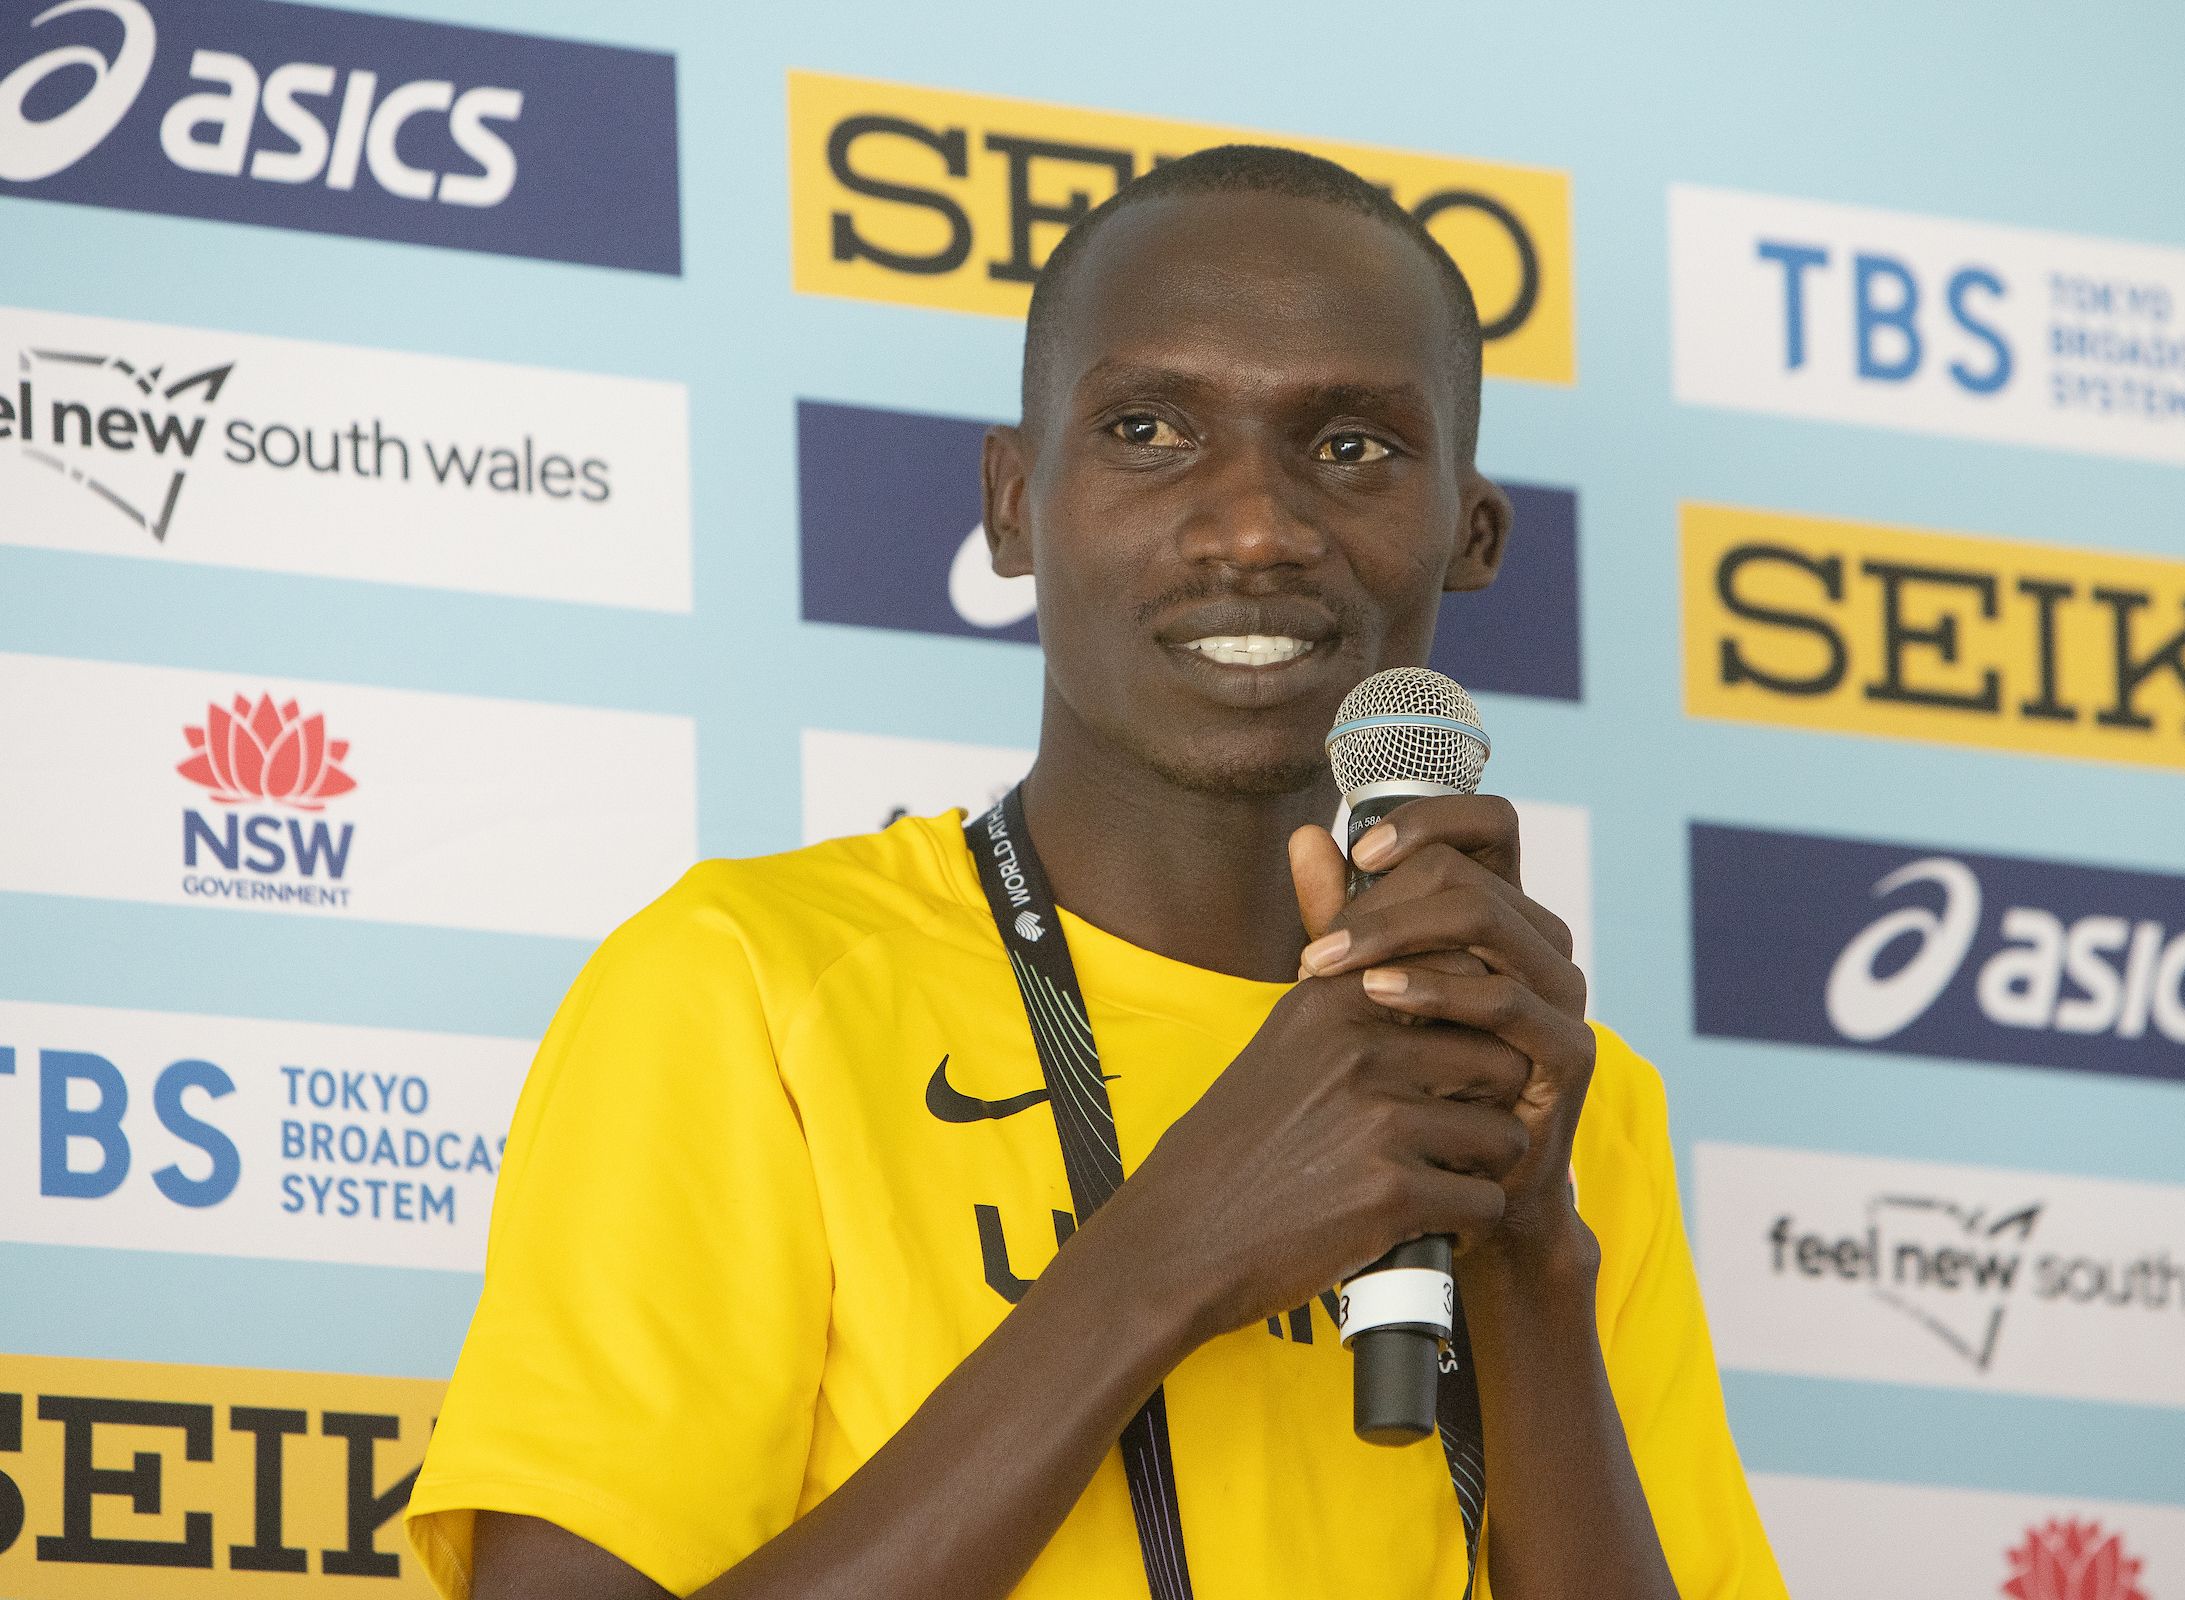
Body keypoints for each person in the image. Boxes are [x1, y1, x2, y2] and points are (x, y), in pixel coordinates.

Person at [405, 143, 1786, 1600]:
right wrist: (1174, 1249)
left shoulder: (1562, 1088)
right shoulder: (747, 985)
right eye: (1146, 428)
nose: (1257, 523)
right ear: (1013, 503)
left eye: (1353, 446)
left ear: (1472, 532)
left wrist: (1526, 1257)